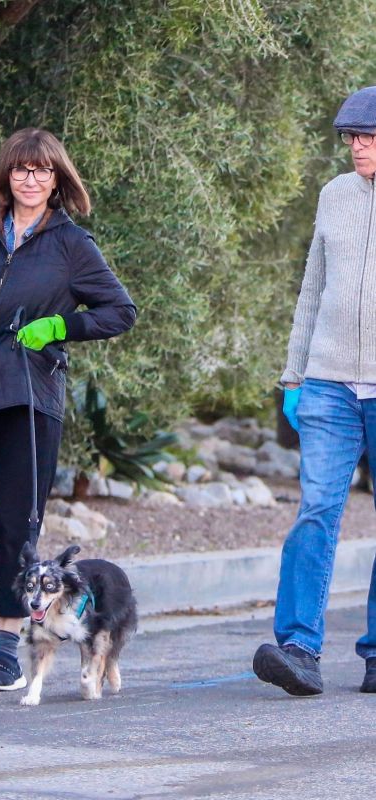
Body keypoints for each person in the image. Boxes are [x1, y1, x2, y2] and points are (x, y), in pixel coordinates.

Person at [0, 128, 136, 691]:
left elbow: (121, 310)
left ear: (57, 179)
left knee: (17, 525)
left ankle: (3, 640)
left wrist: (59, 326)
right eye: (22, 170)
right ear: (7, 175)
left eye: (43, 171)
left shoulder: (72, 244)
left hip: (29, 396)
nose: (31, 180)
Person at [252, 87, 376, 697]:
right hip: (327, 383)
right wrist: (295, 375)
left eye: (369, 136)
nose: (357, 146)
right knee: (316, 512)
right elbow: (312, 289)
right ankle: (299, 648)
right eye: (352, 136)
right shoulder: (334, 196)